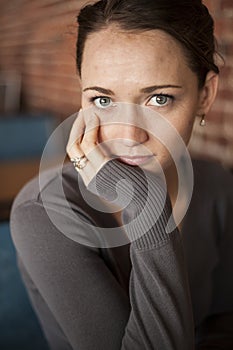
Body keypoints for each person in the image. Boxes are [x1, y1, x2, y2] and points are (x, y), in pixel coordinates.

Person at [10, 0, 233, 349]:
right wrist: (147, 206)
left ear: (205, 96)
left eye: (159, 99)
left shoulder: (218, 186)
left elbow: (222, 325)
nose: (129, 136)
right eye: (103, 101)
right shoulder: (45, 213)